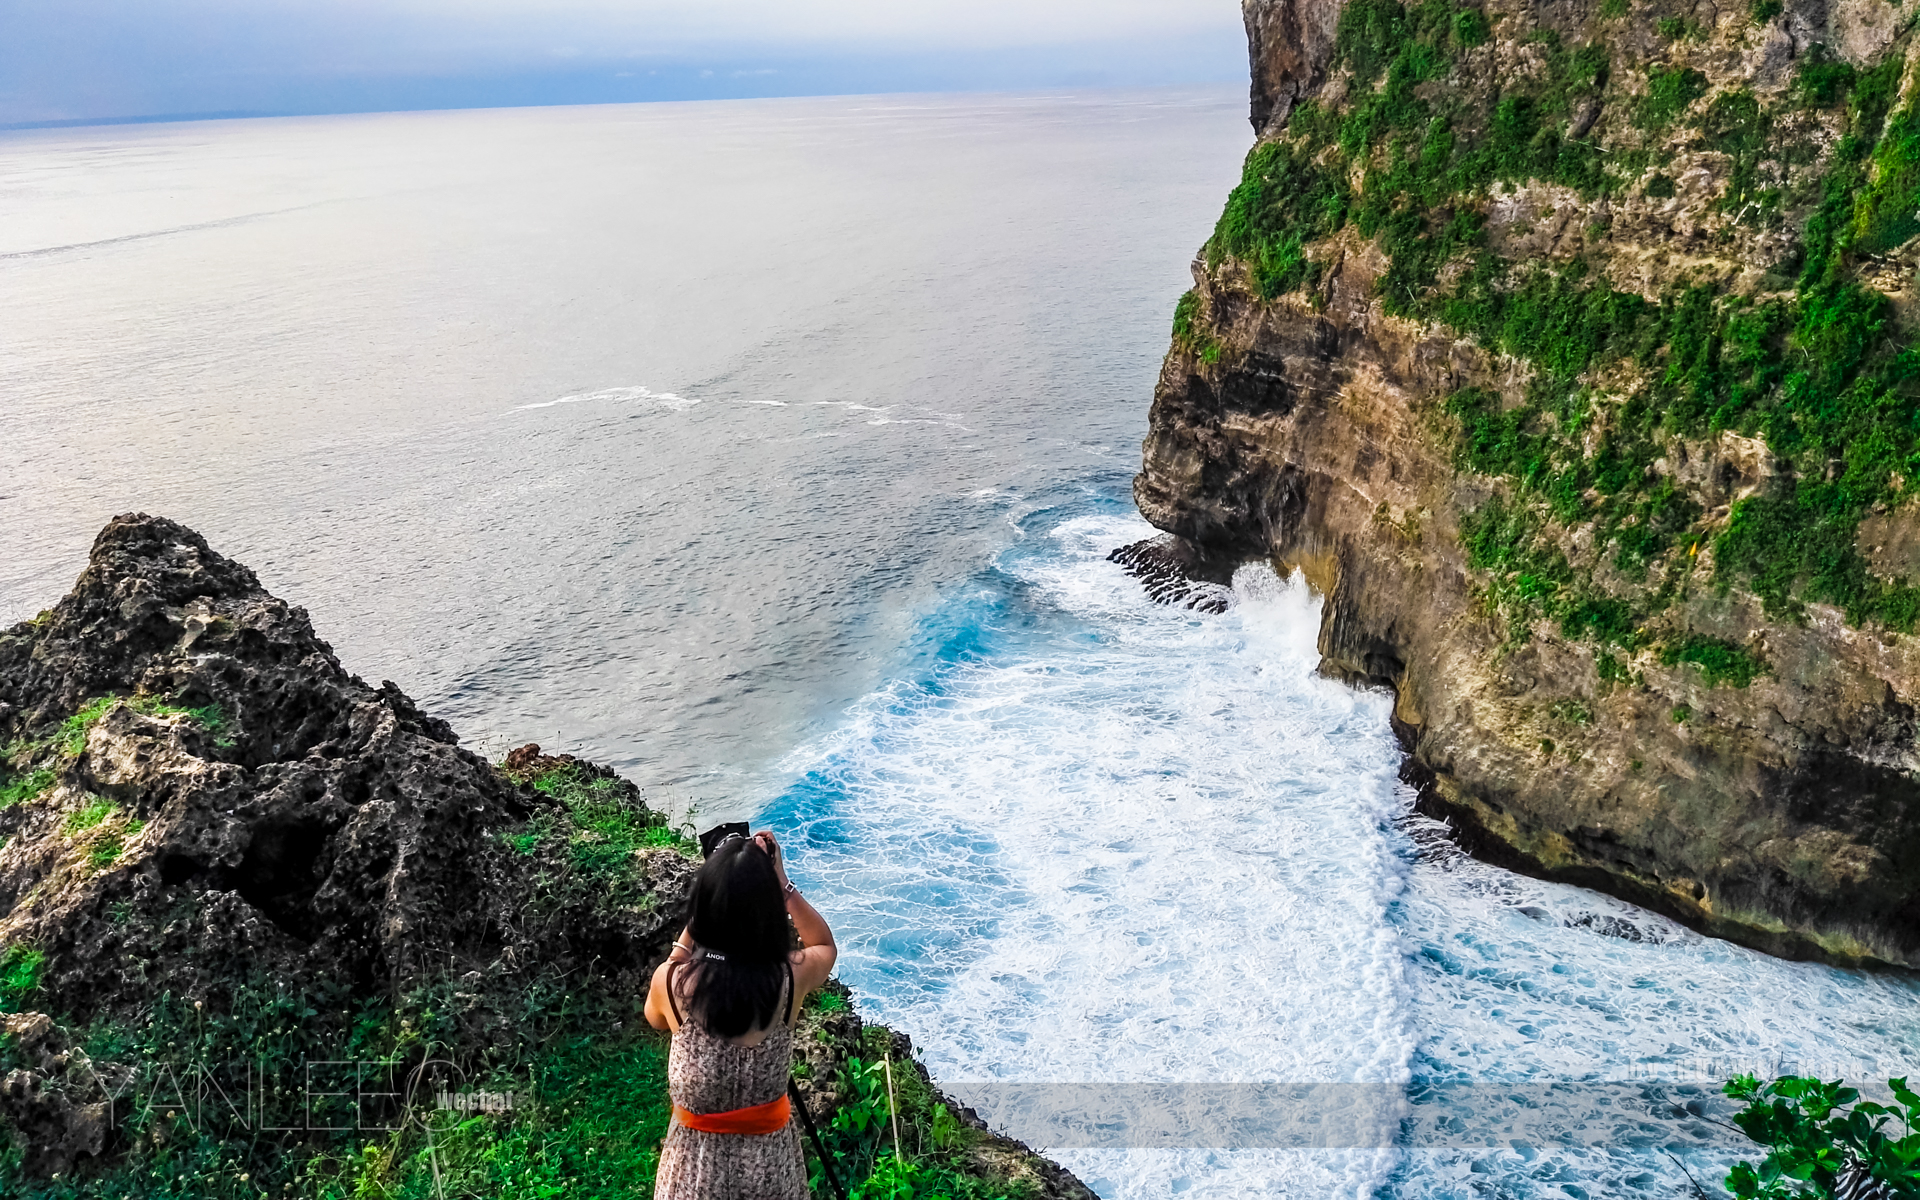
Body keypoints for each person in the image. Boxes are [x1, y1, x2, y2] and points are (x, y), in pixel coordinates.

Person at [646, 830, 838, 1200]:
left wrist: (696, 925)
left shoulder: (670, 984)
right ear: (767, 911)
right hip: (771, 1174)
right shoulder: (789, 980)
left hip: (692, 1176)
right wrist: (782, 884)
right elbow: (823, 946)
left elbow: (654, 1017)